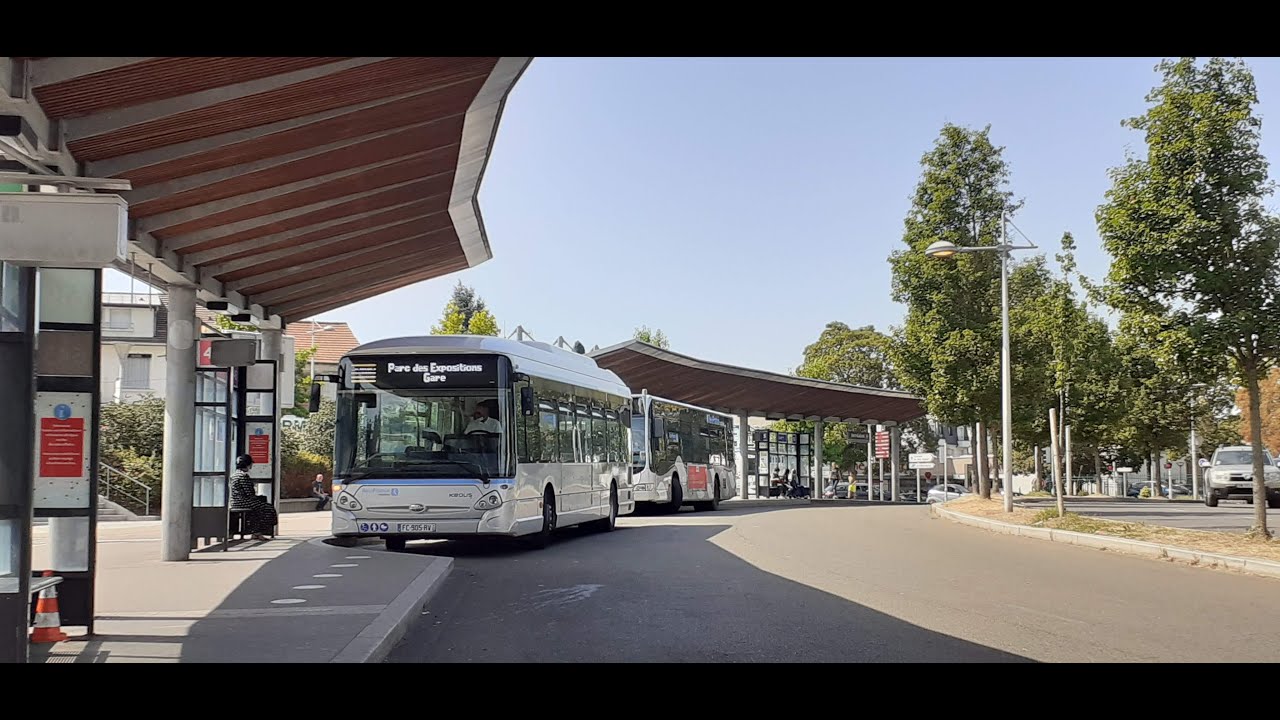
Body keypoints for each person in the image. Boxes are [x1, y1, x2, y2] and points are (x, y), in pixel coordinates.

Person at [230, 454, 277, 540]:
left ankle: (256, 532)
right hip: (244, 502)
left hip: (235, 501)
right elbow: (249, 492)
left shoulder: (234, 475)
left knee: (258, 508)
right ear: (247, 464)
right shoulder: (243, 476)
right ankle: (257, 532)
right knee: (268, 508)